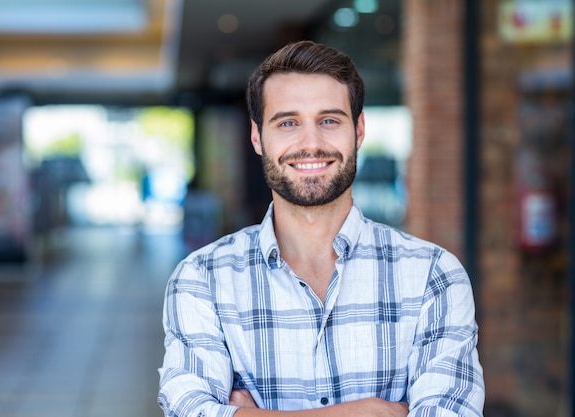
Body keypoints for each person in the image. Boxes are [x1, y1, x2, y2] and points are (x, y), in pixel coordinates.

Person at [158, 40, 485, 417]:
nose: (311, 144)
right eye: (288, 123)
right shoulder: (203, 279)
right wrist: (372, 411)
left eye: (329, 120)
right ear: (257, 137)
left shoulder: (434, 274)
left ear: (358, 131)